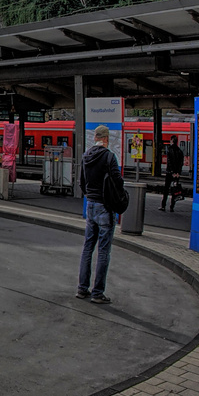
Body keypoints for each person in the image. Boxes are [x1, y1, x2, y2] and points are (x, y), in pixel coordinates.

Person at [78, 126, 121, 304]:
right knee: (103, 251)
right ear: (106, 139)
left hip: (91, 205)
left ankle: (82, 289)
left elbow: (81, 182)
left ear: (95, 137)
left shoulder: (86, 156)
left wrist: (90, 195)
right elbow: (118, 181)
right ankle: (97, 293)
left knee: (88, 247)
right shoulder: (109, 156)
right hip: (105, 207)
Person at [159, 137, 186, 211]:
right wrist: (177, 172)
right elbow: (181, 163)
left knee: (166, 189)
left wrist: (172, 172)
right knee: (174, 190)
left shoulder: (169, 150)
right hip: (176, 174)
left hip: (169, 173)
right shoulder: (180, 151)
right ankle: (172, 207)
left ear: (172, 141)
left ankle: (163, 206)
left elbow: (170, 162)